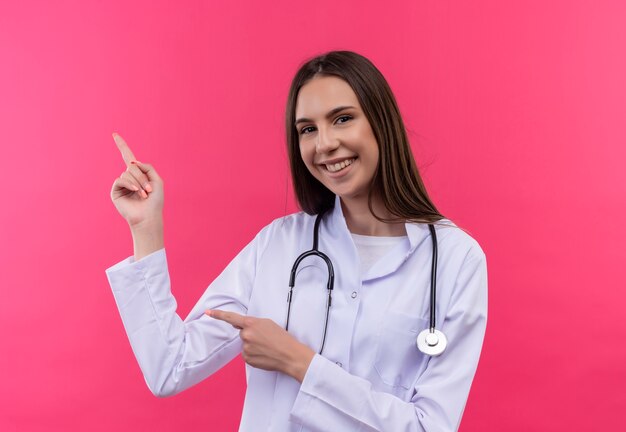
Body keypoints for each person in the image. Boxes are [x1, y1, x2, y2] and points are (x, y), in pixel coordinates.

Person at [106, 50, 488, 432]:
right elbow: (170, 367)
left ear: (381, 121)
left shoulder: (456, 260)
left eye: (342, 119)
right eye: (307, 129)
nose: (324, 144)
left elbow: (431, 426)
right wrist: (146, 228)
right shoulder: (279, 245)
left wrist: (299, 362)